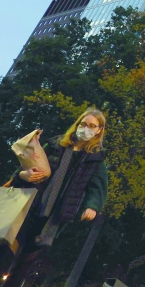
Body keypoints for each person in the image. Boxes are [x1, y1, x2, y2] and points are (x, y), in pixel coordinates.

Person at [5, 108, 109, 285]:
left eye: (92, 126)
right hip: (28, 205)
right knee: (7, 250)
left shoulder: (96, 161)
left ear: (99, 130)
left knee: (24, 263)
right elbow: (25, 165)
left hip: (52, 218)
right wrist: (23, 175)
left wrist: (92, 206)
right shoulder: (55, 144)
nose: (86, 128)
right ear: (77, 124)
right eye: (83, 124)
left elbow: (97, 188)